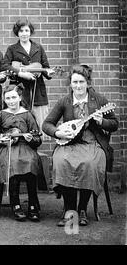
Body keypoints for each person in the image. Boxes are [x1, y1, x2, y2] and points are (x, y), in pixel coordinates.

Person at [42, 65, 118, 226]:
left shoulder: (99, 100)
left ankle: (82, 209)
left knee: (89, 163)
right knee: (61, 161)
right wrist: (58, 133)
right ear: (70, 83)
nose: (78, 86)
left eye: (81, 82)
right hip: (70, 142)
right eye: (75, 82)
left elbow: (114, 124)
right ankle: (69, 210)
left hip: (92, 142)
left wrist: (101, 121)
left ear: (87, 82)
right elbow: (47, 124)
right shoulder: (65, 101)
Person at [0, 84, 45, 222]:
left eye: (13, 97)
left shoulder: (28, 114)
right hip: (6, 149)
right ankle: (15, 204)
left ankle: (33, 205)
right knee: (12, 163)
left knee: (31, 162)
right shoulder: (1, 114)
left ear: (20, 97)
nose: (11, 101)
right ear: (4, 100)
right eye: (8, 98)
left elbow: (37, 139)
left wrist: (30, 139)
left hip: (25, 148)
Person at [4, 19, 53, 133]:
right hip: (20, 89)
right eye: (21, 31)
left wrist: (49, 73)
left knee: (39, 124)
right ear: (17, 33)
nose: (24, 33)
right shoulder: (12, 49)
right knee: (21, 123)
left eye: (27, 30)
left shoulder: (38, 48)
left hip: (37, 90)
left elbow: (45, 67)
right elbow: (4, 65)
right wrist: (20, 73)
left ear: (30, 32)